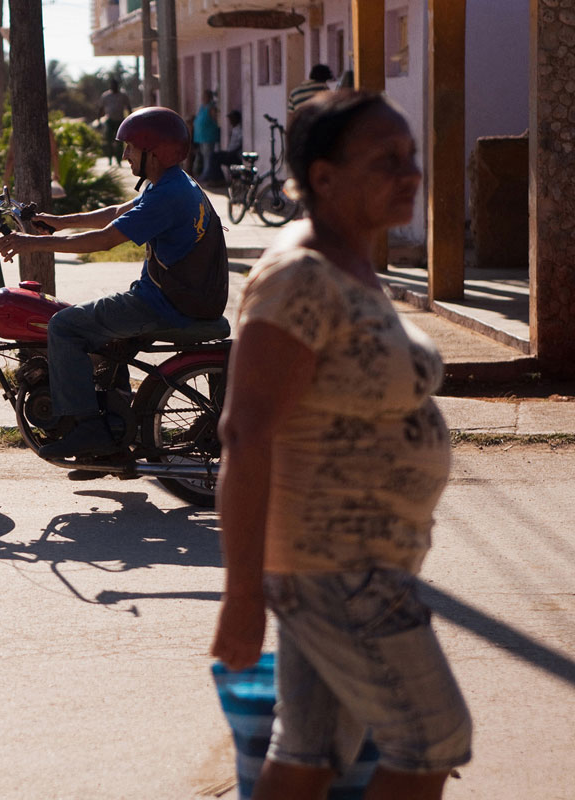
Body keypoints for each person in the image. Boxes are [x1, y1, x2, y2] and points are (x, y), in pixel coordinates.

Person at [211, 90, 471, 800]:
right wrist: (241, 596)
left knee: (310, 754)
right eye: (387, 160)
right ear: (324, 177)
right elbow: (245, 429)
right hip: (337, 568)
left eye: (411, 155)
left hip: (362, 561)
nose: (409, 173)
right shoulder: (300, 276)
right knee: (431, 741)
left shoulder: (347, 263)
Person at [0, 106, 229, 459]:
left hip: (165, 305)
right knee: (103, 337)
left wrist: (30, 243)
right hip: (180, 298)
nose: (124, 156)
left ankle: (89, 428)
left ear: (153, 153)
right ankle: (112, 432)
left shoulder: (167, 196)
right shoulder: (174, 183)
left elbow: (105, 240)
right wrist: (58, 222)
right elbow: (117, 212)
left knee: (63, 326)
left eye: (131, 148)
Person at [98, 78, 133, 165]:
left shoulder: (123, 95)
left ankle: (119, 160)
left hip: (120, 121)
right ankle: (110, 159)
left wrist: (131, 119)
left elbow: (128, 107)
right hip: (110, 120)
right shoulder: (106, 96)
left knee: (119, 142)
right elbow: (101, 109)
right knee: (109, 140)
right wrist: (99, 120)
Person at [192, 89, 221, 185]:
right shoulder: (202, 107)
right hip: (201, 137)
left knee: (208, 157)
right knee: (204, 157)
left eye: (205, 96)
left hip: (209, 137)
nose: (203, 98)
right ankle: (204, 174)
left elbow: (216, 120)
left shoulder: (211, 108)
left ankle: (207, 175)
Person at [212, 110, 244, 178]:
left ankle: (219, 179)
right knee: (214, 156)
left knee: (216, 157)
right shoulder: (234, 129)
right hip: (230, 152)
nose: (230, 121)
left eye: (232, 118)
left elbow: (241, 143)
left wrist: (232, 152)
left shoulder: (240, 130)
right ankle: (218, 178)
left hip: (236, 155)